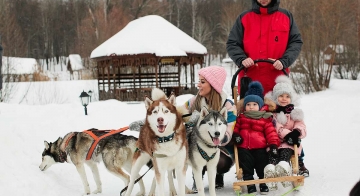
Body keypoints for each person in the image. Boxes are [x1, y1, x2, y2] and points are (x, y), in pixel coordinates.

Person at [177, 65, 237, 191]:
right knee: (197, 152)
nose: (198, 85)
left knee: (220, 162)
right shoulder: (195, 101)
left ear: (213, 85)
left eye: (202, 82)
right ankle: (197, 178)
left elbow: (228, 132)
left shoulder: (228, 105)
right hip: (197, 145)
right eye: (199, 81)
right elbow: (178, 114)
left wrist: (214, 137)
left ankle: (217, 176)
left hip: (221, 147)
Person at [226, 0, 303, 95]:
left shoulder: (286, 16)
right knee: (250, 110)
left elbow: (296, 42)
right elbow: (232, 43)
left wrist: (284, 61)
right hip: (250, 81)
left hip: (278, 82)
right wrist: (242, 59)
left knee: (279, 109)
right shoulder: (244, 17)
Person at [232, 81, 280, 194]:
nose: (251, 107)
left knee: (262, 165)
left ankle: (263, 183)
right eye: (248, 105)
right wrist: (236, 136)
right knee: (246, 166)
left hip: (260, 148)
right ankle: (250, 184)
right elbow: (235, 129)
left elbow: (271, 133)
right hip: (244, 147)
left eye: (254, 104)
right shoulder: (241, 118)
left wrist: (273, 145)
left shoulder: (265, 119)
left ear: (260, 106)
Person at [263, 75, 306, 190]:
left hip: (290, 143)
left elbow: (301, 125)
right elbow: (275, 127)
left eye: (287, 96)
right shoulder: (273, 114)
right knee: (273, 155)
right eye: (281, 96)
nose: (284, 99)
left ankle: (284, 168)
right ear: (275, 98)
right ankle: (270, 171)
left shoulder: (295, 113)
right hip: (275, 142)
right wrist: (287, 134)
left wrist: (296, 132)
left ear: (291, 98)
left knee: (285, 153)